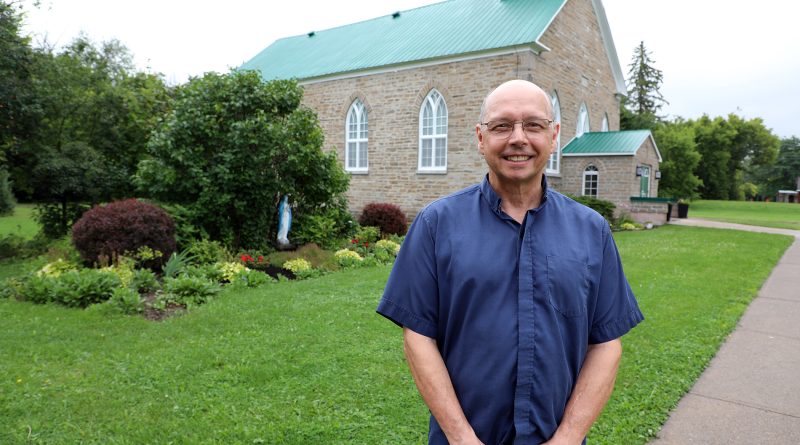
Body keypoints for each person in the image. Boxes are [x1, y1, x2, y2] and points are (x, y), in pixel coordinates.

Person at [376, 79, 643, 445]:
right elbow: (419, 336)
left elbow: (606, 342)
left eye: (533, 125)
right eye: (502, 126)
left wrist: (568, 438)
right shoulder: (437, 224)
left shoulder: (591, 230)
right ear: (480, 137)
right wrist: (460, 437)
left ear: (554, 135)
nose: (518, 138)